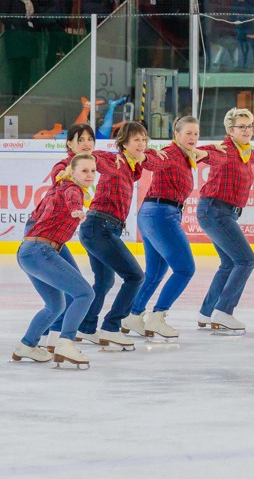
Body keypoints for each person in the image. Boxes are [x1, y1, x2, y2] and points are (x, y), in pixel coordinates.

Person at [123, 117, 220, 340]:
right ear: (176, 134)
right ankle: (158, 316)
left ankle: (134, 315)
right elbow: (154, 161)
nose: (193, 138)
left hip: (153, 213)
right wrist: (144, 156)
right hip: (160, 213)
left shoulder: (188, 155)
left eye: (196, 133)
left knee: (156, 272)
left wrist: (209, 152)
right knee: (185, 269)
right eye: (188, 133)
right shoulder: (171, 153)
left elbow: (217, 156)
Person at [11, 154, 97, 369]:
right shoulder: (71, 188)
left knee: (56, 304)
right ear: (73, 172)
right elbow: (73, 199)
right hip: (41, 251)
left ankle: (27, 345)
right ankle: (66, 342)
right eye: (84, 171)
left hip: (28, 251)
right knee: (85, 293)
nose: (89, 175)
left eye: (93, 171)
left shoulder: (58, 187)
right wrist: (77, 210)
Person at [75, 122, 155, 352]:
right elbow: (92, 157)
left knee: (105, 281)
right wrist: (97, 154)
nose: (141, 144)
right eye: (136, 140)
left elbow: (150, 159)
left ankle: (86, 327)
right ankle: (112, 327)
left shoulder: (132, 168)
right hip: (100, 226)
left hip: (102, 228)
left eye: (144, 140)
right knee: (135, 276)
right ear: (124, 143)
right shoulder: (113, 159)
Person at [195, 108, 254, 332]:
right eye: (242, 127)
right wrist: (201, 151)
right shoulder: (224, 150)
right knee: (246, 260)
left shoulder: (245, 152)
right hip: (215, 210)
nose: (247, 131)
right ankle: (223, 311)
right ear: (230, 130)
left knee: (229, 263)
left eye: (250, 126)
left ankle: (207, 313)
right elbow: (202, 153)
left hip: (223, 212)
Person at [0, 0, 40, 96]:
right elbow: (3, 13)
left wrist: (33, 25)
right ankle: (15, 94)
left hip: (28, 35)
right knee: (16, 67)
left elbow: (37, 14)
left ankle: (24, 94)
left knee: (26, 66)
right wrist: (12, 25)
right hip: (15, 35)